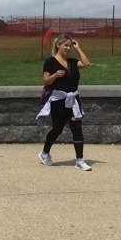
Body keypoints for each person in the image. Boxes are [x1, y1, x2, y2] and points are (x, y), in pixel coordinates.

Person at [37, 33, 92, 170]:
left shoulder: (72, 62)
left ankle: (80, 160)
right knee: (58, 128)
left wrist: (78, 48)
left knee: (77, 128)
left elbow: (86, 63)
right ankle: (44, 153)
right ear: (58, 45)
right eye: (65, 45)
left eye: (70, 46)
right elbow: (45, 80)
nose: (68, 48)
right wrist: (55, 75)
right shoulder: (51, 62)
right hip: (58, 101)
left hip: (73, 100)